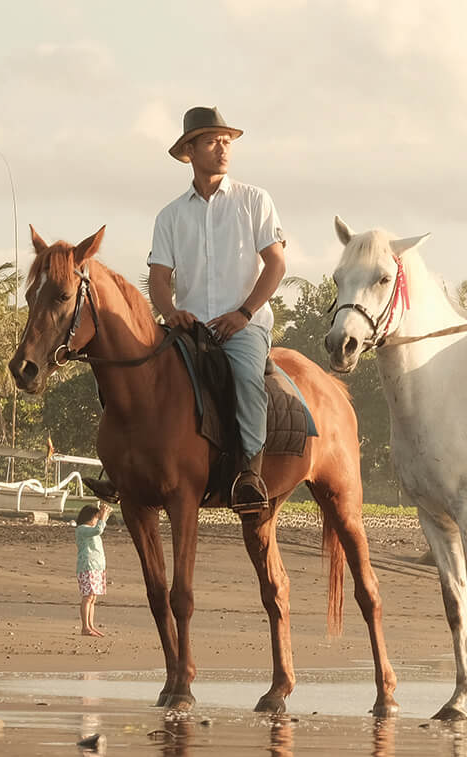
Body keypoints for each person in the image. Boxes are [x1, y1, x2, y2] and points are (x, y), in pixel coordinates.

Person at [147, 106, 287, 511]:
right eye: (211, 141)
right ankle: (127, 466)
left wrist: (243, 314)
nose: (223, 148)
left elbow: (276, 264)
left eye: (226, 141)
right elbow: (159, 278)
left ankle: (249, 475)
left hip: (244, 325)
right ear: (189, 150)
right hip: (190, 327)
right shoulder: (170, 216)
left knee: (245, 378)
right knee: (138, 369)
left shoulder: (254, 200)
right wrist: (171, 312)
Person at [76, 502, 111, 636]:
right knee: (88, 596)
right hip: (87, 567)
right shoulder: (82, 529)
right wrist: (103, 515)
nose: (98, 520)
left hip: (97, 567)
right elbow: (98, 529)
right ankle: (85, 627)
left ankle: (90, 625)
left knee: (93, 598)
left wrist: (105, 513)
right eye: (96, 517)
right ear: (90, 517)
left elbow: (99, 527)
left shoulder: (90, 529)